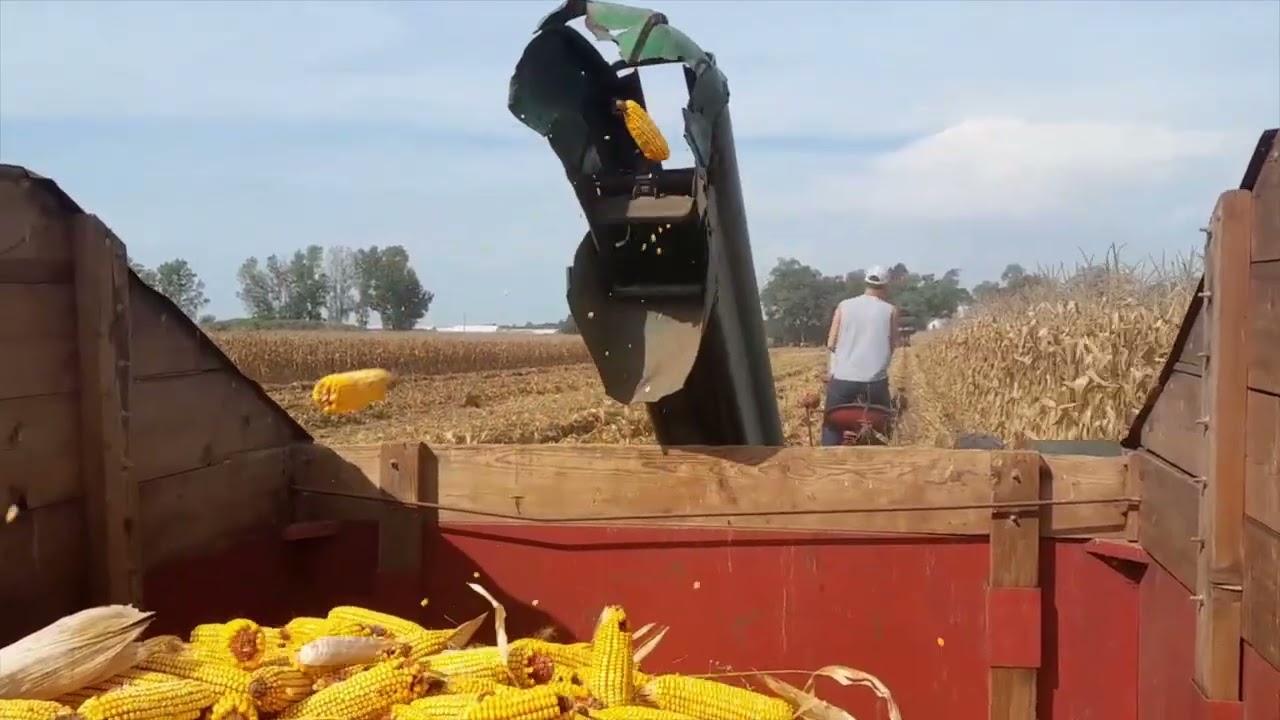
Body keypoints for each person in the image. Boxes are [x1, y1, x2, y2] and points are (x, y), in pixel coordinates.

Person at [821, 265, 899, 446]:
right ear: (886, 286)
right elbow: (892, 345)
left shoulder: (844, 306)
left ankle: (828, 457)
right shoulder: (891, 311)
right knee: (884, 426)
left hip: (843, 381)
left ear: (866, 283)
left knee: (831, 425)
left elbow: (831, 343)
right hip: (875, 382)